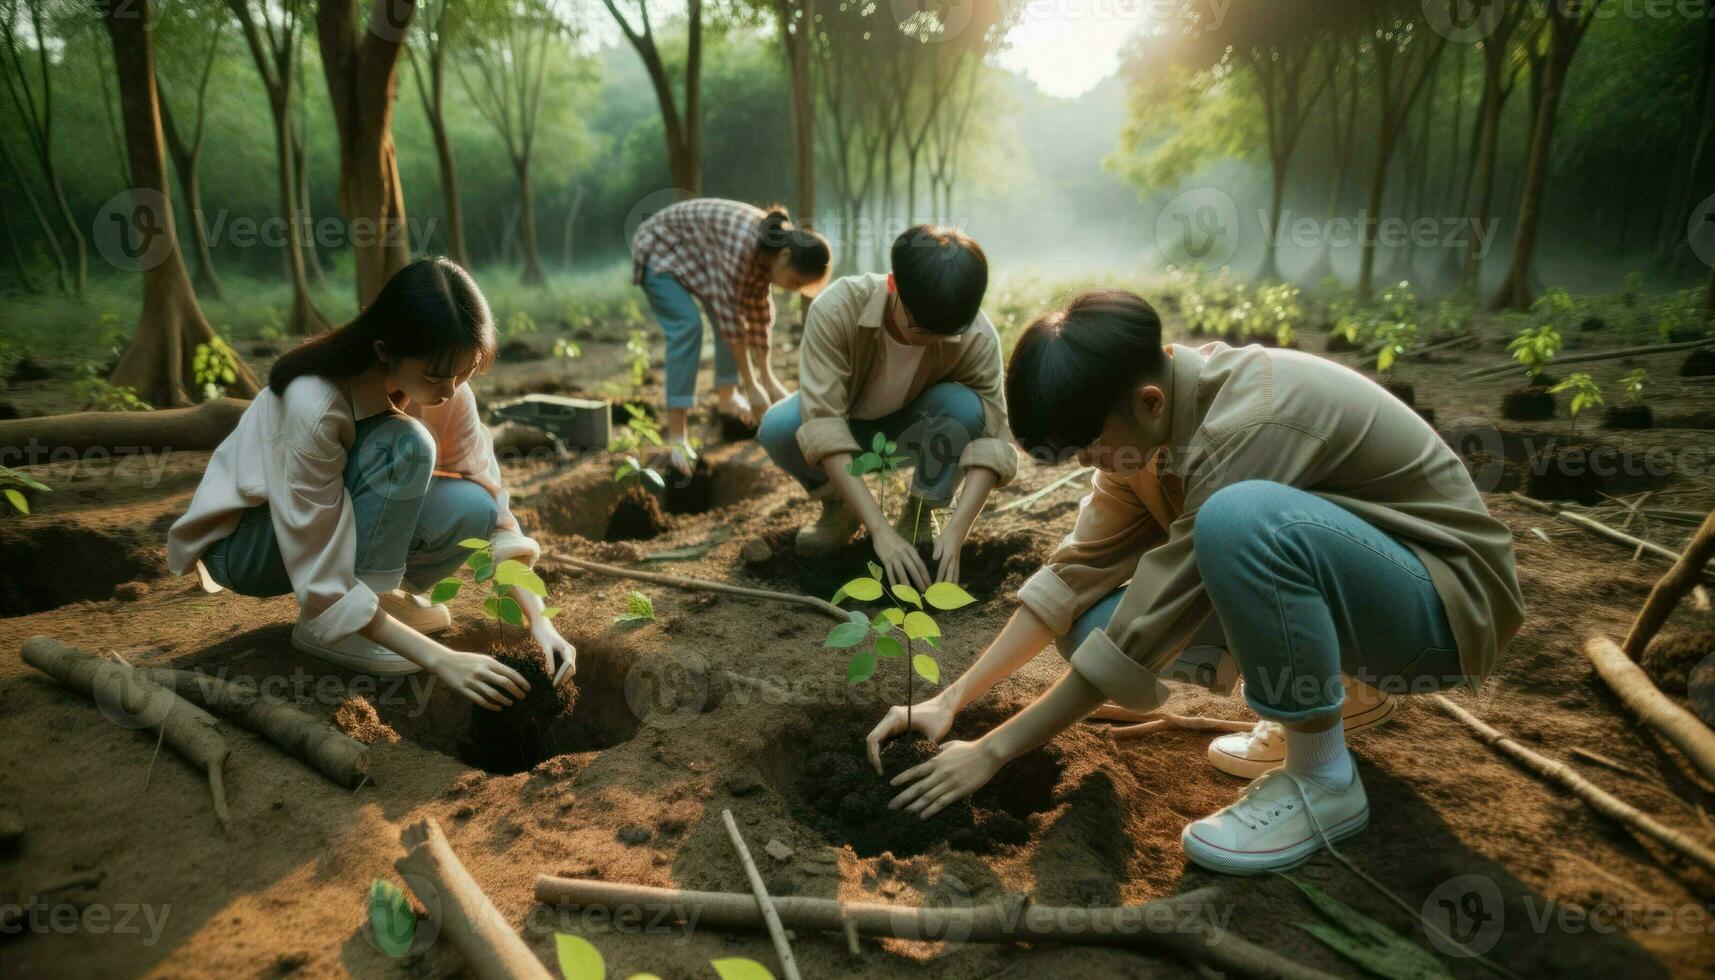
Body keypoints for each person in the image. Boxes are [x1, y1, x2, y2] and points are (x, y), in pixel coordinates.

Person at [870, 288, 1524, 874]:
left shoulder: (1248, 421)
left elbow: (1147, 623)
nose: (1092, 464)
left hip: (1441, 608)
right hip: (1365, 590)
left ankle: (1322, 780)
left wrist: (990, 753)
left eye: (1091, 448)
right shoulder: (1147, 431)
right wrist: (949, 702)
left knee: (1236, 521)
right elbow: (1071, 577)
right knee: (1090, 623)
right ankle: (1343, 695)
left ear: (1147, 401)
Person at [166, 258, 575, 710]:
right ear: (384, 350)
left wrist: (540, 621)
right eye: (436, 376)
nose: (450, 389)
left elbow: (497, 516)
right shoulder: (315, 401)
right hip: (248, 544)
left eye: (465, 373)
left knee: (475, 505)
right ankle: (332, 628)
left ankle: (378, 603)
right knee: (405, 444)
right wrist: (444, 660)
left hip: (325, 529)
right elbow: (316, 562)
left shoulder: (450, 391)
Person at [757, 225, 1017, 589]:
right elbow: (824, 422)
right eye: (922, 329)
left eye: (946, 333)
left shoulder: (975, 334)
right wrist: (878, 530)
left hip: (916, 427)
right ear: (893, 286)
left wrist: (958, 531)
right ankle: (842, 506)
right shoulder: (838, 309)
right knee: (779, 427)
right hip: (851, 428)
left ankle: (919, 513)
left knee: (964, 406)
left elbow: (993, 439)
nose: (934, 339)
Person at [630, 198, 831, 473]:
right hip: (661, 251)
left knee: (730, 314)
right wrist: (750, 384)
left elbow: (759, 316)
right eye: (795, 282)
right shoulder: (743, 250)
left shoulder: (768, 255)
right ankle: (678, 438)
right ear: (784, 257)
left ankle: (726, 396)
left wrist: (768, 379)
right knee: (689, 327)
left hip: (700, 261)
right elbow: (730, 317)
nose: (792, 290)